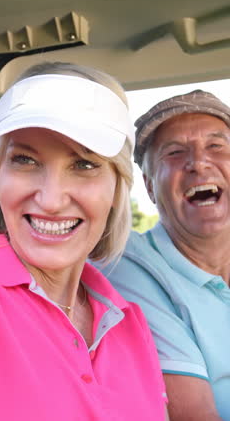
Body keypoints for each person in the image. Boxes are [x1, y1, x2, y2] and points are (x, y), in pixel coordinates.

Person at [0, 61, 168, 420]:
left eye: (84, 165)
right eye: (25, 159)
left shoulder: (129, 323)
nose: (51, 199)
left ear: (117, 185)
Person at [105, 89, 230, 421]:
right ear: (149, 188)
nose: (199, 163)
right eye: (174, 153)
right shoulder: (129, 268)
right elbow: (196, 414)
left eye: (216, 146)